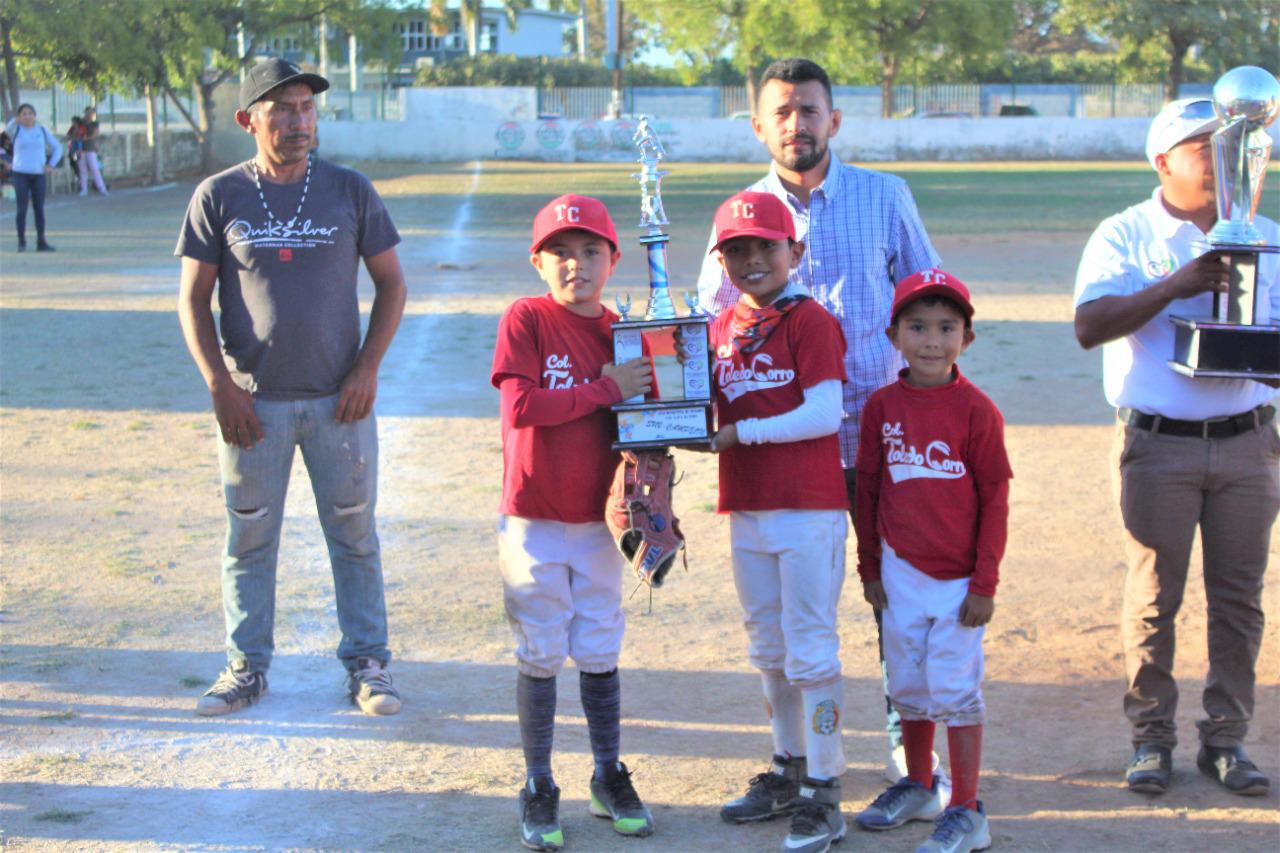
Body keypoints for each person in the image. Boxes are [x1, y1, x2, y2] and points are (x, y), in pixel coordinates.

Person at [696, 57, 942, 782]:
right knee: (789, 632)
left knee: (896, 599)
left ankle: (912, 760)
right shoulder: (739, 222)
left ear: (833, 118)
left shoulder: (884, 196)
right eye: (781, 112)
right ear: (758, 127)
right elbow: (710, 327)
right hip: (785, 465)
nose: (796, 123)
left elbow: (926, 301)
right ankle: (803, 762)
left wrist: (934, 411)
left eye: (808, 109)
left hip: (880, 434)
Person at [175, 58, 407, 718]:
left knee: (355, 534)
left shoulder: (349, 190)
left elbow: (392, 283)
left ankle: (368, 661)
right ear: (250, 119)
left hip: (341, 402)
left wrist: (367, 368)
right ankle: (245, 666)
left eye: (307, 108)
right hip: (254, 405)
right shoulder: (219, 196)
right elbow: (192, 300)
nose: (300, 120)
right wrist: (220, 383)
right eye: (284, 109)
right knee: (248, 537)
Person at [1073, 97, 1279, 797]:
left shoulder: (1265, 232)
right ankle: (1150, 738)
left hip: (1250, 443)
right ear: (1162, 161)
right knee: (1156, 597)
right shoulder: (1124, 233)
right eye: (1204, 148)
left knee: (1239, 600)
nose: (1224, 161)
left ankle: (1227, 741)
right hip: (1158, 445)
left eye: (1234, 147)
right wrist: (1179, 285)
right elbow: (1089, 324)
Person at [490, 193, 656, 851]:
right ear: (537, 261)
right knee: (539, 649)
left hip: (597, 520)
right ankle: (537, 780)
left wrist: (657, 464)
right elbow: (523, 406)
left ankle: (607, 772)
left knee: (598, 647)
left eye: (591, 250)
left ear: (613, 259)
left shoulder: (623, 331)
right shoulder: (526, 317)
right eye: (559, 250)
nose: (576, 264)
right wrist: (607, 387)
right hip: (532, 517)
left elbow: (644, 422)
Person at [706, 191, 850, 853]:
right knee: (767, 647)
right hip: (748, 505)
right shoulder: (716, 328)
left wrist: (744, 434)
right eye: (737, 249)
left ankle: (826, 784)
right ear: (722, 260)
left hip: (807, 506)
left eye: (766, 245)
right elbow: (701, 416)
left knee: (811, 648)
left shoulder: (811, 320)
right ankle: (787, 764)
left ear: (795, 250)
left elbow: (824, 413)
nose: (753, 259)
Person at [850, 268, 1010, 853]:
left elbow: (995, 498)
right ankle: (919, 783)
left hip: (959, 578)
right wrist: (870, 568)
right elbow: (868, 490)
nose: (932, 340)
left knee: (955, 687)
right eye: (917, 327)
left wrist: (984, 581)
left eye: (947, 327)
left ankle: (968, 810)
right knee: (908, 681)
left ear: (967, 338)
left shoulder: (977, 411)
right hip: (898, 568)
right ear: (893, 335)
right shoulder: (882, 407)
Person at [4, 103, 61, 252]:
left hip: (38, 174)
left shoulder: (41, 131)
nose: (27, 116)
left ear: (35, 116)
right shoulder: (16, 130)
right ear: (19, 116)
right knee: (21, 208)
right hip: (20, 173)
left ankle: (41, 242)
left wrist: (51, 164)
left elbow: (57, 148)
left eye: (30, 113)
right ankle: (21, 241)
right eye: (24, 113)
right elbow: (7, 128)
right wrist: (16, 121)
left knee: (39, 208)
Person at [78, 106, 108, 196]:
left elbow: (95, 134)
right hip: (80, 149)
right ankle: (83, 189)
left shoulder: (95, 124)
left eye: (90, 113)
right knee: (82, 170)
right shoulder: (81, 123)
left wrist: (86, 138)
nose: (88, 115)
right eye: (87, 113)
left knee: (94, 168)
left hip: (90, 148)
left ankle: (102, 188)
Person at [65, 116, 84, 181]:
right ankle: (77, 174)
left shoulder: (81, 127)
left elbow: (79, 136)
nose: (72, 123)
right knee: (73, 160)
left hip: (78, 149)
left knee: (76, 160)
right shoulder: (72, 128)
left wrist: (73, 135)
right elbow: (68, 136)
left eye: (74, 122)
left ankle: (78, 175)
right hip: (73, 149)